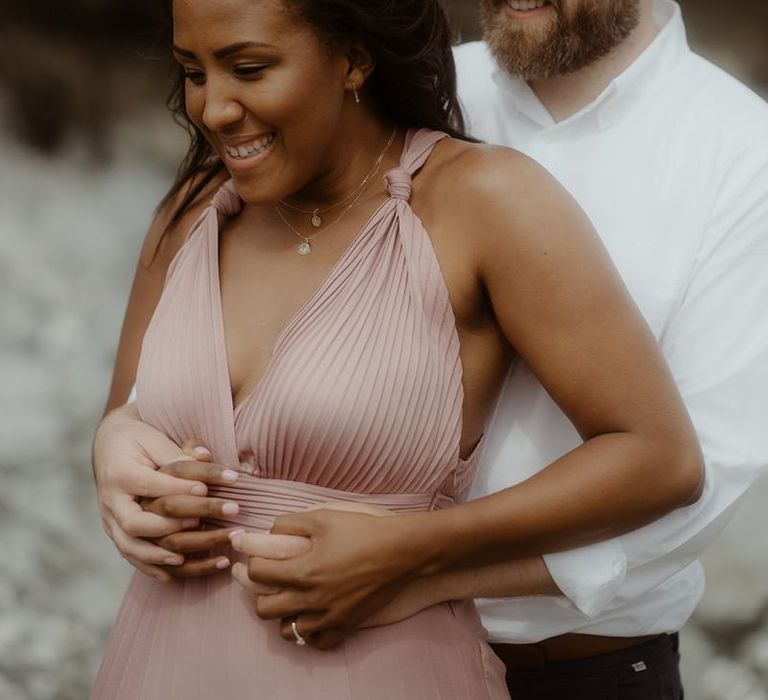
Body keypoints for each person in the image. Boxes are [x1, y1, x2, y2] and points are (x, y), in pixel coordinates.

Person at [91, 0, 707, 697]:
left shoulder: (482, 200)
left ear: (354, 59)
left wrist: (416, 552)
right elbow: (127, 415)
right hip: (158, 664)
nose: (213, 109)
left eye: (250, 69)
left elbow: (660, 458)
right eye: (192, 72)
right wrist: (113, 455)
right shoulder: (194, 208)